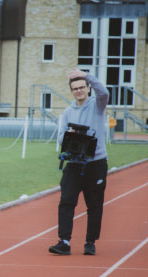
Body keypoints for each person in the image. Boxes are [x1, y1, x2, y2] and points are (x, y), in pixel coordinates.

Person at [49, 69, 109, 256]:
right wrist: (69, 136)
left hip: (95, 162)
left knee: (94, 204)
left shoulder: (97, 105)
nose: (79, 91)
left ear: (88, 88)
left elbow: (104, 92)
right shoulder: (67, 113)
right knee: (66, 201)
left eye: (82, 87)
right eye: (75, 89)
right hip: (74, 162)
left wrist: (87, 74)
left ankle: (90, 242)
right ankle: (64, 242)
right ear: (71, 91)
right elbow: (60, 138)